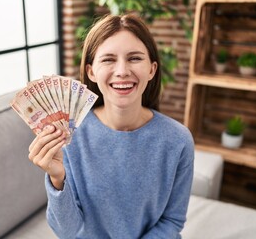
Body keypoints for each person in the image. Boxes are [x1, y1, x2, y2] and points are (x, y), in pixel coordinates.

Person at [28, 13, 194, 239]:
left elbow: (172, 220)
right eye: (108, 59)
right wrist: (58, 180)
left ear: (152, 70)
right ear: (91, 72)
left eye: (135, 58)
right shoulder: (69, 135)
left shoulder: (178, 140)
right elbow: (67, 232)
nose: (122, 71)